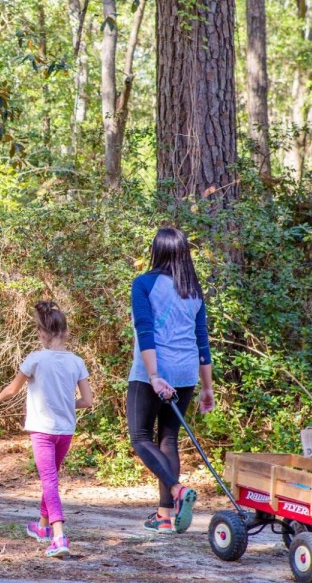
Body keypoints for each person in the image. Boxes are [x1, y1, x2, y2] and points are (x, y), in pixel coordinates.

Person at [127, 227, 215, 535]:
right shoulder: (193, 291)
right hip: (186, 374)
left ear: (158, 251)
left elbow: (145, 331)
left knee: (139, 437)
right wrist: (207, 387)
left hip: (152, 374)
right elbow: (202, 342)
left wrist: (153, 376)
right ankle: (164, 517)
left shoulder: (144, 284)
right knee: (168, 439)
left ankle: (176, 491)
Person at [0, 301, 93, 558]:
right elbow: (87, 401)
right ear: (66, 332)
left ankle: (59, 537)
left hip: (42, 430)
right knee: (52, 479)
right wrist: (67, 405)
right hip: (65, 430)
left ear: (42, 333)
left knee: (49, 480)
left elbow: (12, 389)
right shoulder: (76, 362)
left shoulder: (35, 359)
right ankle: (42, 527)